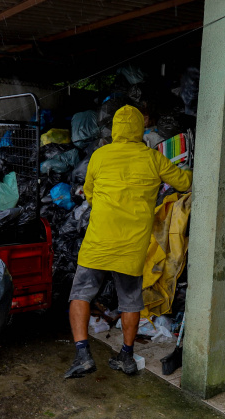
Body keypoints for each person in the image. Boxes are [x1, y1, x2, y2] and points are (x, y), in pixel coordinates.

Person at [64, 105, 192, 379]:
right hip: (131, 247)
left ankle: (83, 354)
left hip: (98, 241)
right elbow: (183, 182)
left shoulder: (99, 156)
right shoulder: (152, 158)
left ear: (115, 130)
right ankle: (126, 356)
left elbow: (88, 193)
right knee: (130, 301)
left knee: (81, 293)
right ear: (139, 129)